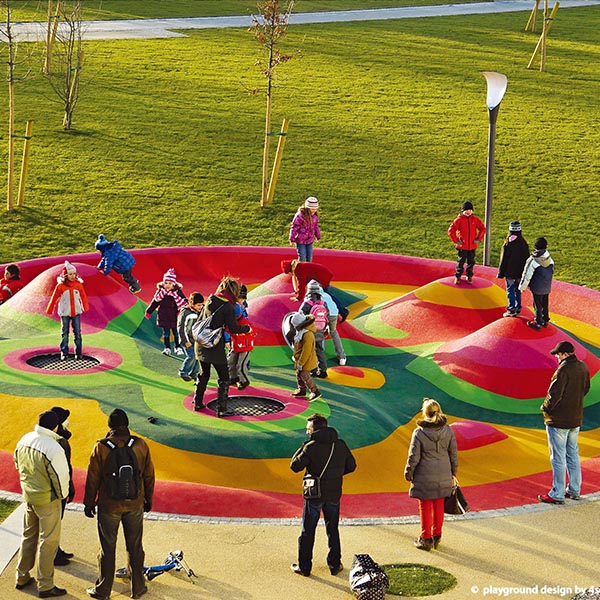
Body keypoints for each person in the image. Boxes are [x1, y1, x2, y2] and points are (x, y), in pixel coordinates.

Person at [84, 408, 155, 600]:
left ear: (110, 426)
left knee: (107, 548)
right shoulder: (140, 445)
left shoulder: (101, 447)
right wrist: (148, 499)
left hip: (109, 505)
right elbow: (149, 475)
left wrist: (89, 503)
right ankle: (138, 587)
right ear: (127, 424)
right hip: (135, 503)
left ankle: (103, 590)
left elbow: (93, 478)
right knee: (135, 546)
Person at [290, 413, 357, 577]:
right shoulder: (340, 444)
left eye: (308, 429)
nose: (307, 432)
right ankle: (335, 564)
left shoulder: (310, 447)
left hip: (315, 494)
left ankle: (304, 567)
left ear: (315, 430)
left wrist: (303, 446)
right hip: (334, 493)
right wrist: (335, 475)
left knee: (308, 531)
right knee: (332, 529)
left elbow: (295, 466)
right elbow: (351, 466)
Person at [14, 410, 70, 598]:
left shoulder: (25, 439)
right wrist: (62, 496)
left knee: (28, 536)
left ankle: (22, 576)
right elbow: (60, 476)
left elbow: (17, 464)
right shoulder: (53, 447)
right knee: (49, 542)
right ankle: (45, 585)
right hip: (47, 500)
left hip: (29, 496)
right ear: (55, 427)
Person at [538, 341, 591, 504]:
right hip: (575, 418)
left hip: (559, 420)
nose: (557, 357)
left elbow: (554, 394)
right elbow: (585, 389)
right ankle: (574, 489)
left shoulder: (563, 370)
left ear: (565, 354)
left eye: (558, 354)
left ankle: (557, 492)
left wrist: (545, 407)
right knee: (572, 454)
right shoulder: (583, 367)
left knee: (558, 457)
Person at [404, 398, 458, 551]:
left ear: (424, 413)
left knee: (425, 505)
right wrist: (453, 471)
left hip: (424, 474)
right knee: (439, 503)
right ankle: (437, 535)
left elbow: (413, 456)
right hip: (444, 472)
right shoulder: (447, 430)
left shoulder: (419, 433)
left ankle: (426, 537)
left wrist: (409, 472)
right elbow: (453, 453)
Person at [193, 276, 251, 416]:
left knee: (203, 374)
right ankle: (222, 409)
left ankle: (198, 402)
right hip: (214, 346)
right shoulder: (228, 307)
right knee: (224, 378)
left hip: (200, 344)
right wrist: (247, 328)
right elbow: (233, 328)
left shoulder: (210, 299)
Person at [46, 261, 89, 361]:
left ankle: (78, 353)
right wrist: (50, 308)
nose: (73, 276)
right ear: (65, 275)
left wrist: (85, 306)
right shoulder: (60, 286)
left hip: (76, 312)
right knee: (64, 332)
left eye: (74, 274)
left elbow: (83, 296)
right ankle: (64, 352)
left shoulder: (78, 285)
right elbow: (54, 297)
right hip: (65, 312)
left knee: (77, 332)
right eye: (70, 274)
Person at [50, 407, 75, 567]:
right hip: (57, 489)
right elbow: (63, 468)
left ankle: (56, 550)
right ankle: (53, 554)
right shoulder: (58, 442)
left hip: (60, 486)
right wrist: (69, 487)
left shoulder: (59, 438)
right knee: (53, 523)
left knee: (56, 523)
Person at [145, 268, 187, 356]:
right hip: (164, 315)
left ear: (174, 284)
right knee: (166, 334)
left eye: (170, 283)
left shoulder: (177, 292)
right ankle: (167, 348)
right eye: (166, 283)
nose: (167, 285)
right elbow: (155, 302)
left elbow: (184, 302)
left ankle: (178, 347)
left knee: (176, 333)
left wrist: (182, 312)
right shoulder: (161, 292)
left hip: (174, 315)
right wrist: (149, 311)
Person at [519, 236, 554, 331]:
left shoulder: (533, 260)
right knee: (545, 303)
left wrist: (522, 287)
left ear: (535, 247)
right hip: (546, 285)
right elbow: (552, 270)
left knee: (537, 304)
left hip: (537, 286)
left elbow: (527, 274)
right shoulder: (549, 258)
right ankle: (545, 319)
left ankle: (538, 322)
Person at [447, 201, 486, 284]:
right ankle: (458, 276)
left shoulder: (475, 220)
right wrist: (456, 241)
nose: (468, 212)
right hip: (462, 246)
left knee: (471, 262)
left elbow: (482, 228)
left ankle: (469, 276)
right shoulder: (459, 220)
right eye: (466, 210)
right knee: (461, 262)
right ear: (462, 211)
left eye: (470, 210)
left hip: (472, 246)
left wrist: (478, 238)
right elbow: (451, 230)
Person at [497, 221, 530, 317]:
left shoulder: (508, 243)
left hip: (510, 272)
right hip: (520, 272)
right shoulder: (523, 243)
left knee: (510, 290)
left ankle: (511, 308)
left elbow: (503, 260)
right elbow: (527, 258)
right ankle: (518, 307)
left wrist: (501, 272)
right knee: (517, 290)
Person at [227, 285, 256, 390]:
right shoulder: (235, 311)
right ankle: (233, 378)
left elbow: (251, 329)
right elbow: (227, 328)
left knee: (241, 363)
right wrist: (227, 339)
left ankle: (243, 380)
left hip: (244, 344)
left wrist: (248, 331)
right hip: (236, 342)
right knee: (231, 361)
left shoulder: (242, 317)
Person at [300, 280, 330, 378]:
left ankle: (313, 370)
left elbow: (300, 315)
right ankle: (323, 371)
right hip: (320, 329)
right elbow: (327, 314)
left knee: (310, 350)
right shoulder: (323, 302)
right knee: (320, 350)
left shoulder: (307, 303)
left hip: (310, 330)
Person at [290, 311, 321, 402]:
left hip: (306, 360)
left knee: (305, 375)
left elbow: (306, 350)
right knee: (298, 374)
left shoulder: (308, 334)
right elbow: (298, 347)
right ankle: (302, 390)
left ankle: (315, 391)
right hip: (300, 359)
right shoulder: (301, 333)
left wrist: (301, 363)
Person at [177, 291, 205, 381]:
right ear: (192, 304)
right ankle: (183, 372)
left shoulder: (201, 311)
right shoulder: (186, 313)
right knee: (192, 356)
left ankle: (194, 373)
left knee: (198, 357)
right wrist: (185, 341)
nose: (201, 307)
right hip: (188, 340)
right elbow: (181, 328)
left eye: (202, 305)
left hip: (197, 340)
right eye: (198, 305)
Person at [289, 196, 321, 262]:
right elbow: (294, 227)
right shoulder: (300, 216)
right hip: (300, 240)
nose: (314, 211)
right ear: (307, 208)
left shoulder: (314, 216)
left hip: (310, 240)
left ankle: (307, 267)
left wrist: (318, 236)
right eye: (312, 209)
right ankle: (299, 267)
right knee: (302, 257)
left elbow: (316, 227)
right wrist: (292, 238)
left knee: (309, 258)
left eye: (315, 209)